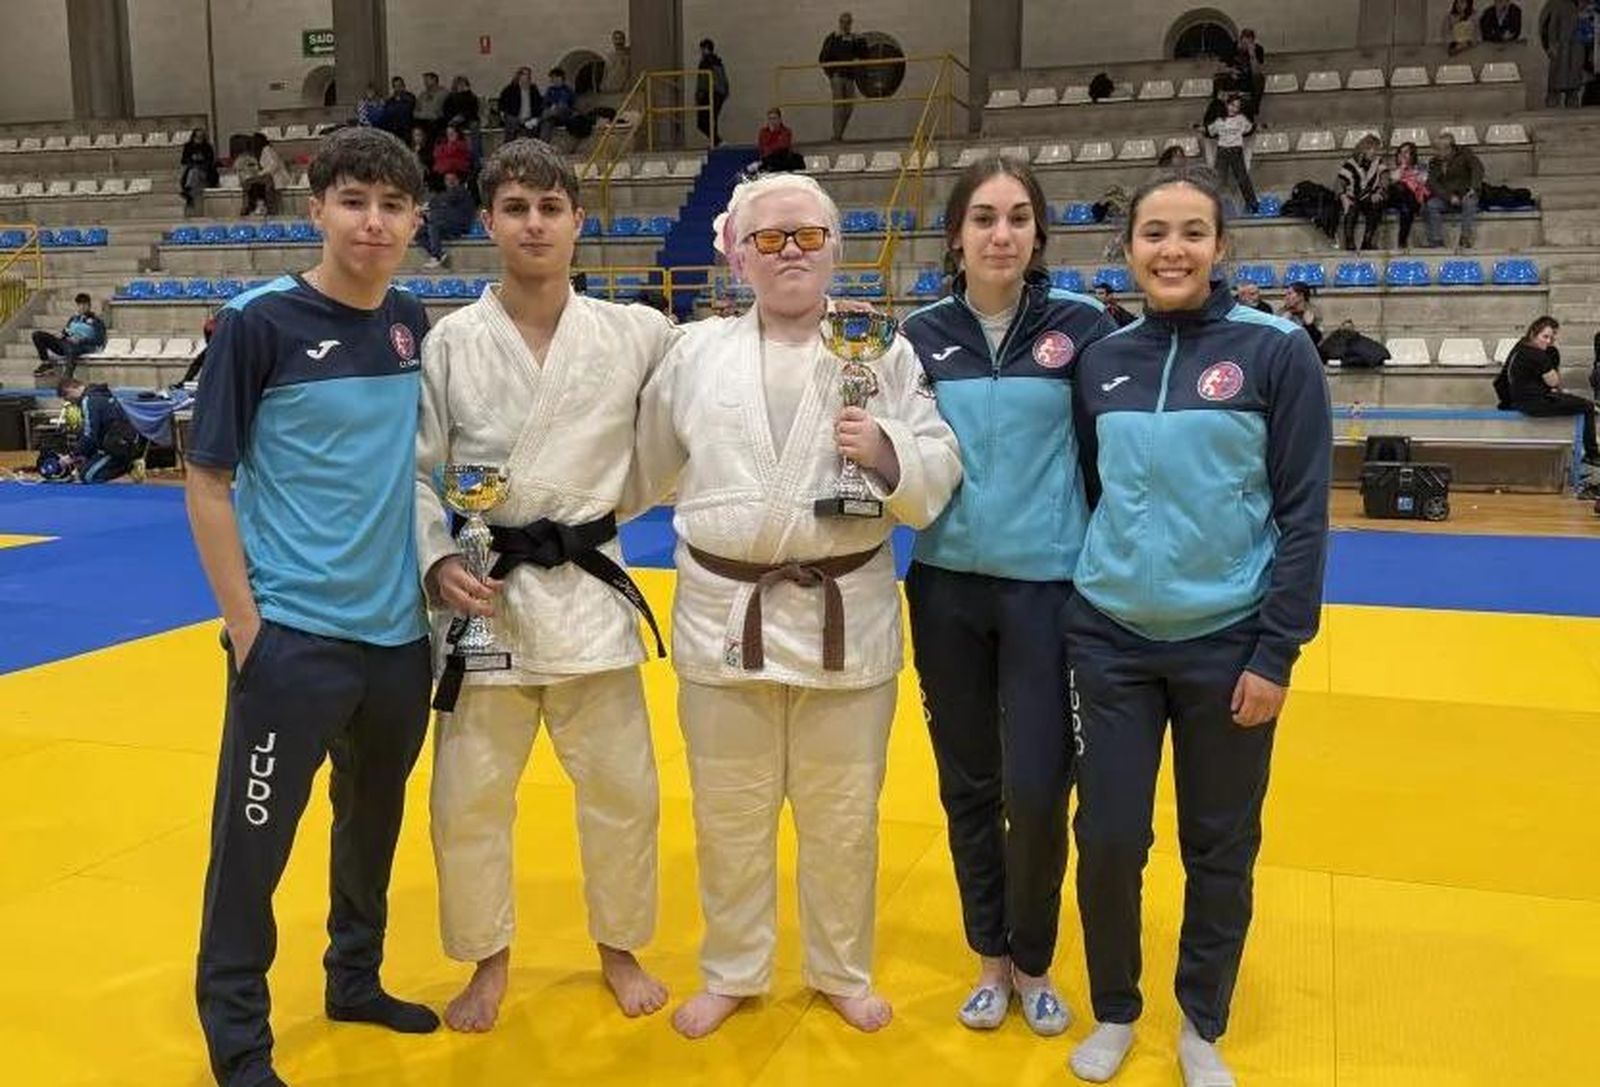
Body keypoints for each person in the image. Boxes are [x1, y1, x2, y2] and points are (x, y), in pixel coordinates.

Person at [627, 172, 962, 1040]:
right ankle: (734, 968)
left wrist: (886, 449)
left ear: (835, 248)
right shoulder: (692, 353)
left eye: (807, 237)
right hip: (723, 613)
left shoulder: (879, 347)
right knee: (728, 808)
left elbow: (937, 464)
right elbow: (641, 466)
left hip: (841, 613)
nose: (788, 254)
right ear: (736, 254)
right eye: (768, 239)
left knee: (843, 813)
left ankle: (838, 968)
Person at [1066, 165, 1331, 1087]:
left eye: (1190, 233)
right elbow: (1099, 491)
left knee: (1219, 839)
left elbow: (1304, 512)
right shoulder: (1103, 357)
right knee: (1106, 836)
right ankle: (1114, 1007)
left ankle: (1201, 1021)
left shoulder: (1274, 352)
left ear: (1221, 247)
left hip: (1229, 644)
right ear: (1129, 248)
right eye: (1153, 233)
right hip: (1110, 643)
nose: (1171, 250)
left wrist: (1277, 650)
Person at [186, 127, 440, 1087]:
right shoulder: (258, 322)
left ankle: (355, 978)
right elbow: (206, 481)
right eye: (354, 202)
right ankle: (240, 1041)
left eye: (391, 206)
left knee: (369, 829)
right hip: (292, 640)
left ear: (416, 220)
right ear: (319, 209)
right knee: (252, 848)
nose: (372, 223)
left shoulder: (411, 319)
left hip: (397, 641)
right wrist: (250, 630)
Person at [415, 137, 679, 1034]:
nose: (535, 223)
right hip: (484, 594)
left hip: (588, 591)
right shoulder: (450, 342)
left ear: (578, 222)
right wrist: (436, 559)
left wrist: (611, 513)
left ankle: (618, 944)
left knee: (624, 790)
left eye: (552, 208)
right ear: (488, 222)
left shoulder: (637, 331)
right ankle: (489, 958)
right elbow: (417, 473)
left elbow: (692, 413)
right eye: (517, 208)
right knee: (467, 797)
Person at [900, 154, 1117, 1038]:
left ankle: (1035, 956)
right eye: (983, 217)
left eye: (1018, 217)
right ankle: (990, 955)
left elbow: (1115, 461)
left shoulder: (1087, 327)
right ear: (955, 235)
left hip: (1047, 592)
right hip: (946, 588)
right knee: (968, 784)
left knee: (1036, 787)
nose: (1001, 233)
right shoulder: (915, 335)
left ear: (1037, 234)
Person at [1502, 316, 1600, 465]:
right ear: (1533, 333)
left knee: (1572, 400)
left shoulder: (1521, 347)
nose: (1548, 341)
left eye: (1551, 338)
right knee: (1587, 406)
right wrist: (1551, 362)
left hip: (1520, 399)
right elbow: (1554, 381)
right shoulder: (1538, 354)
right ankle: (1592, 454)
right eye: (1545, 337)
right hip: (1534, 403)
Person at [1423, 132, 1483, 248]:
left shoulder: (1466, 155)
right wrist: (1448, 197)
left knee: (1469, 202)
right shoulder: (1434, 162)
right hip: (1447, 196)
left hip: (1465, 193)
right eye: (1436, 149)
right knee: (1431, 205)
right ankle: (1436, 240)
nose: (1437, 153)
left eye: (1439, 149)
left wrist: (1473, 188)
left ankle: (1465, 238)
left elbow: (1478, 170)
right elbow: (1432, 183)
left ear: (1449, 148)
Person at [32, 292, 107, 379]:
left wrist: (81, 340)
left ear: (89, 306)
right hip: (65, 344)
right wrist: (61, 335)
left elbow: (99, 339)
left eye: (84, 304)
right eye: (79, 304)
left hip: (82, 346)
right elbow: (66, 332)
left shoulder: (96, 321)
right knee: (37, 335)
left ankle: (68, 376)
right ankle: (46, 364)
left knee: (71, 346)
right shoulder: (73, 319)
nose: (82, 307)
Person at [1204, 95, 1258, 215]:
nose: (1234, 108)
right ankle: (1213, 206)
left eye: (1237, 106)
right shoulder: (1219, 121)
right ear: (1226, 105)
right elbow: (1209, 131)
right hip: (1222, 151)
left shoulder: (1241, 119)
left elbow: (1249, 129)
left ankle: (1253, 204)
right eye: (1232, 105)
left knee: (1243, 178)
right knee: (1219, 179)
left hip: (1236, 151)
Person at [819, 12, 865, 141]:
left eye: (848, 22)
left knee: (849, 106)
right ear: (839, 23)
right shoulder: (832, 38)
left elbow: (863, 55)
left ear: (851, 24)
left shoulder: (854, 39)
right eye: (843, 22)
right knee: (839, 106)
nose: (845, 25)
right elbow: (823, 57)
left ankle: (838, 134)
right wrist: (831, 73)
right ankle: (837, 136)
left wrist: (859, 40)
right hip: (837, 76)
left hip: (850, 77)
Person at [1336, 135, 1386, 251]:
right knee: (1351, 208)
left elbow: (1384, 179)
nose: (1373, 152)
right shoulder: (1351, 163)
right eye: (1370, 149)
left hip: (1370, 196)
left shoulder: (1378, 162)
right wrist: (1343, 197)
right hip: (1353, 195)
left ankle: (1367, 241)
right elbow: (1339, 183)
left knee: (1376, 206)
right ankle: (1349, 243)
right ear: (1363, 149)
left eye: (1375, 149)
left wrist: (1380, 191)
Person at [419, 170, 476, 270]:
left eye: (452, 179)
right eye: (447, 180)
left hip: (458, 227)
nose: (450, 182)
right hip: (446, 226)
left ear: (458, 181)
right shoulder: (446, 196)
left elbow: (443, 200)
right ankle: (440, 254)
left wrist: (429, 206)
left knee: (434, 223)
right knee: (419, 231)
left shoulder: (461, 192)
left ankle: (435, 256)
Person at [1541, 0, 1586, 106]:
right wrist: (1551, 46)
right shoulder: (1556, 4)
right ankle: (1551, 110)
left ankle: (1572, 106)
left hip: (1577, 50)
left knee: (1573, 88)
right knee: (1555, 86)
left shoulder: (1583, 5)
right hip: (1560, 50)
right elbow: (1548, 26)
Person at [1387, 140, 1428, 250]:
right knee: (1399, 187)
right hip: (1399, 200)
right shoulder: (1395, 169)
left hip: (1415, 199)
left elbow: (1422, 181)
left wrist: (1410, 173)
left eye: (1406, 152)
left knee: (1406, 205)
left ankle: (1402, 241)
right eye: (1400, 152)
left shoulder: (1421, 167)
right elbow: (1393, 179)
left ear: (1413, 154)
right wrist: (1402, 167)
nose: (1403, 155)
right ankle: (1402, 241)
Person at [695, 39, 730, 145]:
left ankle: (717, 142)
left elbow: (703, 80)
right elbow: (724, 79)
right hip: (719, 94)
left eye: (701, 49)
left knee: (702, 122)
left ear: (705, 49)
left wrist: (699, 95)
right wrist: (725, 93)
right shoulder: (718, 62)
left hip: (709, 93)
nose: (700, 52)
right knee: (712, 119)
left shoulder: (705, 62)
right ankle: (716, 142)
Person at [180, 128, 218, 216]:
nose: (199, 138)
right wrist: (194, 160)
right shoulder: (188, 146)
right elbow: (184, 160)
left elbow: (211, 161)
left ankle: (188, 190)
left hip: (205, 169)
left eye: (201, 137)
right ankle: (189, 191)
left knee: (195, 173)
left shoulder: (207, 147)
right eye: (197, 136)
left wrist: (201, 160)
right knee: (193, 172)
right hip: (192, 167)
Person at [498, 67, 541, 141]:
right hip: (515, 117)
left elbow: (539, 105)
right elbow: (502, 104)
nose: (527, 77)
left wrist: (535, 118)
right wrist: (503, 113)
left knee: (534, 125)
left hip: (529, 118)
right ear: (519, 76)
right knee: (511, 122)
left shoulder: (533, 90)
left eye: (528, 75)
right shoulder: (510, 89)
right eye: (524, 74)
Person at [756, 108, 805, 172]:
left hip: (782, 158)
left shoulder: (786, 131)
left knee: (798, 158)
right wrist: (772, 134)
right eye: (770, 119)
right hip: (769, 158)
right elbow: (764, 148)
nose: (772, 121)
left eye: (774, 118)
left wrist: (772, 146)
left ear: (779, 119)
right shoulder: (763, 132)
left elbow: (783, 146)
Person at [538, 67, 577, 142]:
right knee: (547, 122)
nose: (553, 80)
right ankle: (543, 143)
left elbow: (568, 103)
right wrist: (550, 107)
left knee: (561, 106)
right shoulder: (550, 90)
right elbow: (545, 103)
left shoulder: (567, 90)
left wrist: (554, 107)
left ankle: (538, 120)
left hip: (565, 115)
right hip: (552, 116)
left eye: (555, 78)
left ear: (561, 78)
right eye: (552, 78)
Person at [1279, 281, 1322, 346]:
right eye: (1286, 294)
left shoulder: (1313, 312)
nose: (1286, 297)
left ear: (1301, 296)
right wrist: (1282, 323)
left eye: (1290, 294)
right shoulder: (1282, 312)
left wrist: (1310, 326)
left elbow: (1316, 341)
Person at [415, 71, 447, 140]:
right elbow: (416, 110)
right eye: (424, 80)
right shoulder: (422, 95)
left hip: (437, 126)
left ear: (434, 79)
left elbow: (441, 111)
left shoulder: (443, 93)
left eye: (427, 79)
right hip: (423, 125)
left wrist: (434, 116)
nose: (425, 82)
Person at [600, 29, 632, 94]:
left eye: (620, 38)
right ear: (613, 40)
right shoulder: (610, 56)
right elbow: (606, 71)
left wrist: (626, 86)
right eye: (616, 39)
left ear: (624, 40)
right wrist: (602, 85)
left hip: (621, 90)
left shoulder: (628, 56)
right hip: (608, 89)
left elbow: (630, 72)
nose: (618, 41)